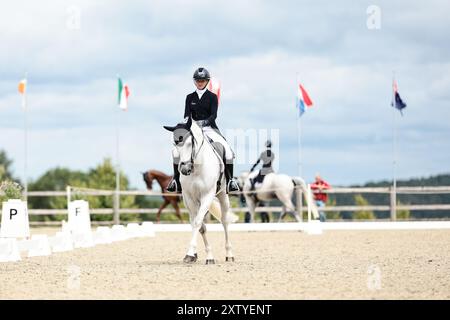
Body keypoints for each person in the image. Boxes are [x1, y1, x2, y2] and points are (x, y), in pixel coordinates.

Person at [166, 67, 240, 194]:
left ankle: (230, 181)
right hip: (193, 128)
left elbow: (213, 115)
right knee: (175, 152)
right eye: (198, 81)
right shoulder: (189, 97)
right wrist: (183, 125)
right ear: (195, 82)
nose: (200, 83)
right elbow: (186, 116)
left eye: (203, 81)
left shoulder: (212, 97)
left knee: (227, 151)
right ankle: (176, 181)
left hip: (209, 128)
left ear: (207, 81)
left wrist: (204, 122)